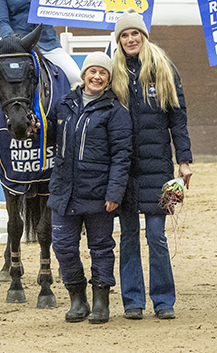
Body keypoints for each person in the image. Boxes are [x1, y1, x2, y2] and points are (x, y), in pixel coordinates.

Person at [110, 8, 193, 320]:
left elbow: (178, 118)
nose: (131, 39)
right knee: (129, 235)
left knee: (157, 235)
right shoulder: (113, 73)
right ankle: (132, 301)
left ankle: (163, 301)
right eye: (125, 35)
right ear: (119, 41)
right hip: (125, 172)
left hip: (159, 168)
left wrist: (183, 160)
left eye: (135, 34)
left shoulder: (163, 69)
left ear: (143, 36)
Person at [47, 52, 132, 324]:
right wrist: (37, 125)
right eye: (92, 71)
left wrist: (114, 193)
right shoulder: (63, 105)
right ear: (83, 75)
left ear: (108, 79)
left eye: (102, 73)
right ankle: (77, 298)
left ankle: (100, 301)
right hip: (63, 192)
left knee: (101, 247)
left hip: (99, 195)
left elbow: (122, 156)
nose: (97, 76)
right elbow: (49, 133)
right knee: (63, 246)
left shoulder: (115, 112)